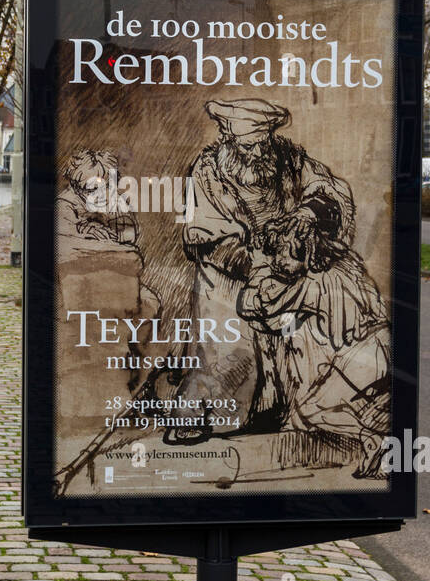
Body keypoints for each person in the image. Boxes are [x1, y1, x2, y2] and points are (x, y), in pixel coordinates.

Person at [166, 99, 390, 479]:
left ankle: (333, 406)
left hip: (288, 263)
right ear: (227, 137)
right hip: (229, 270)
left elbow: (329, 192)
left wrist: (307, 214)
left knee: (330, 307)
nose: (257, 152)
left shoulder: (290, 158)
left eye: (262, 143)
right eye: (247, 145)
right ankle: (201, 414)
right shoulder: (207, 171)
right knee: (228, 347)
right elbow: (207, 235)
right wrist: (255, 267)